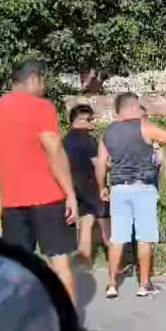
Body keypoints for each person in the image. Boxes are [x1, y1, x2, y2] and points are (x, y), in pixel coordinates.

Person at [0, 60, 95, 331]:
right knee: (60, 263)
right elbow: (53, 147)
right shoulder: (41, 107)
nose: (44, 87)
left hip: (13, 201)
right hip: (48, 198)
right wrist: (69, 193)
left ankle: (19, 326)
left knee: (19, 266)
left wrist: (6, 182)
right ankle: (69, 328)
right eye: (43, 81)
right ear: (32, 79)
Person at [96, 93, 166, 298]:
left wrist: (102, 187)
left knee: (117, 238)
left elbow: (101, 164)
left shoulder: (108, 132)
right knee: (144, 239)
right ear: (134, 107)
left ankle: (111, 285)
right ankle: (144, 284)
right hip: (143, 188)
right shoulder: (145, 127)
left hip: (118, 189)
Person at [63, 104, 111, 269]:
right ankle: (117, 261)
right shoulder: (88, 140)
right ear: (80, 120)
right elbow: (98, 164)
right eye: (89, 119)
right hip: (92, 185)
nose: (92, 122)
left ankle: (85, 261)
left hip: (74, 187)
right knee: (106, 223)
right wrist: (110, 164)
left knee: (85, 222)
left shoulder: (65, 140)